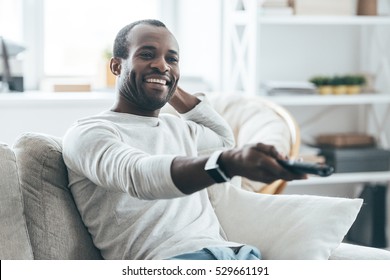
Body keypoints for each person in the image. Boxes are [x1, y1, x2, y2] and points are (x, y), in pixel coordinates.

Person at [62, 19, 306, 260]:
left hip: (234, 255)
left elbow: (223, 140)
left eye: (172, 59)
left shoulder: (178, 127)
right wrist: (227, 163)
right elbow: (140, 176)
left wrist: (165, 81)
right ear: (116, 66)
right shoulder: (89, 132)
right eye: (147, 55)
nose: (161, 64)